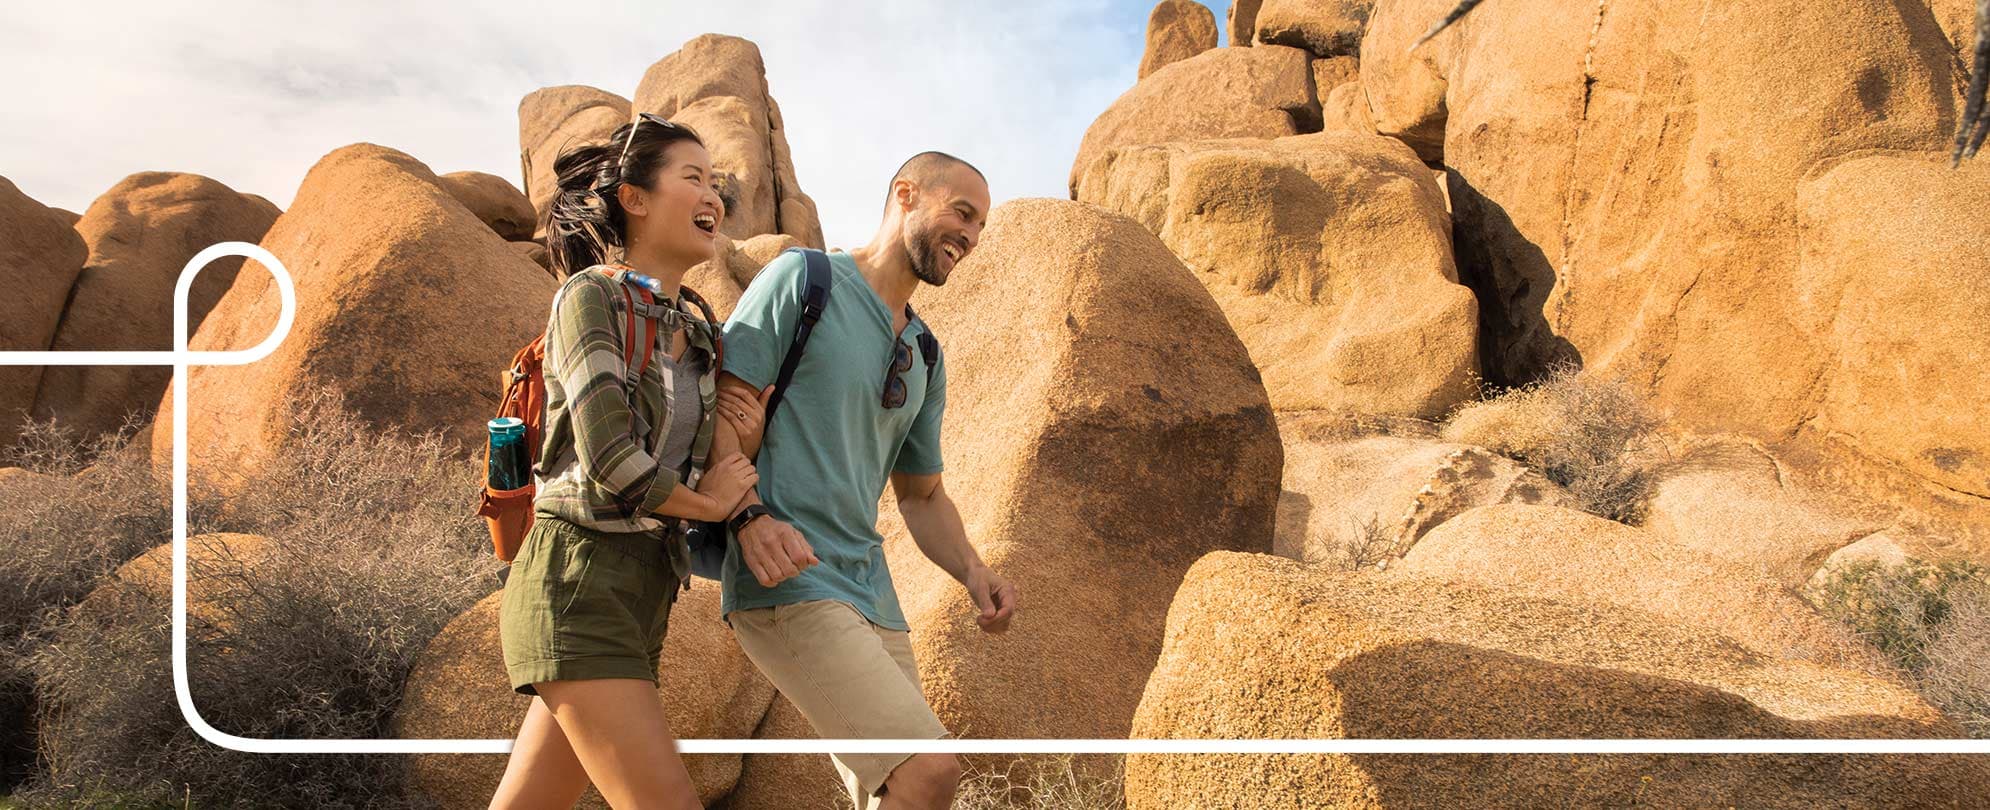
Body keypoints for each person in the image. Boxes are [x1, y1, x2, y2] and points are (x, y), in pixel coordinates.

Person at [710, 152, 1019, 810]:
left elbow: (922, 494)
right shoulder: (806, 279)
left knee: (896, 792)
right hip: (786, 574)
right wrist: (747, 517)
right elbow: (724, 402)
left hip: (870, 591)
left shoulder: (926, 353)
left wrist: (973, 570)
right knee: (928, 772)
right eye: (962, 212)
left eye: (982, 225)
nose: (971, 235)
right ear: (905, 195)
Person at [489, 114, 758, 810]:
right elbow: (611, 459)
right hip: (577, 576)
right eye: (692, 178)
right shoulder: (590, 297)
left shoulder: (696, 327)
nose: (714, 198)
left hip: (644, 591)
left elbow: (691, 463)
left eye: (717, 183)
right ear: (634, 198)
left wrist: (743, 442)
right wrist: (710, 505)